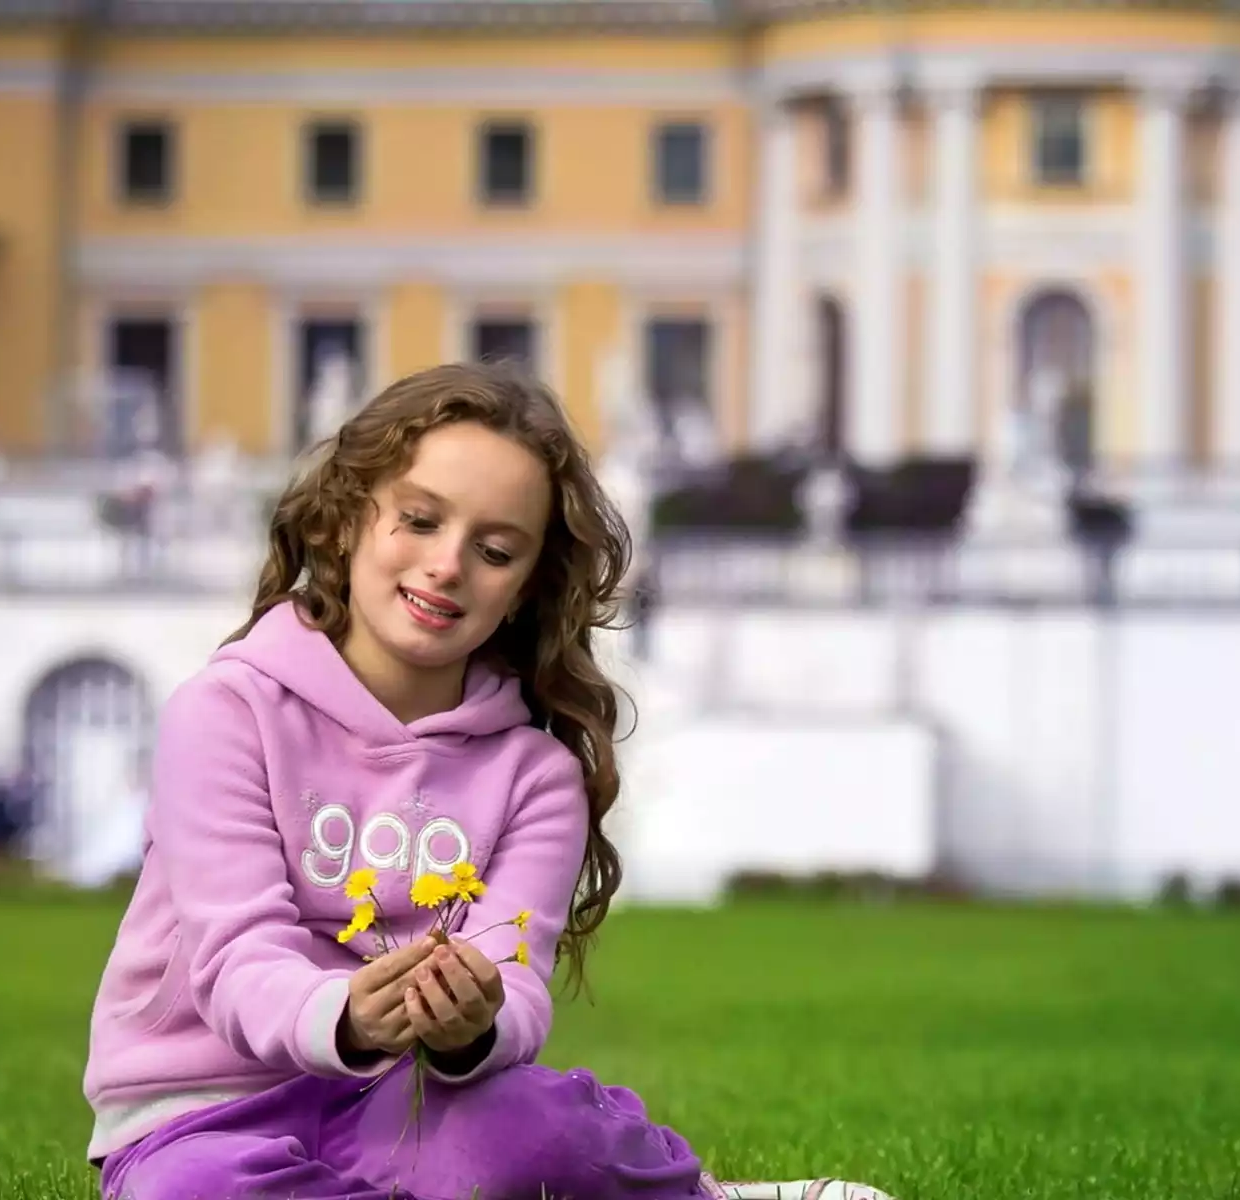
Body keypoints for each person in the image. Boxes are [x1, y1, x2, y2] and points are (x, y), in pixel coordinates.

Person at [81, 362, 895, 1200]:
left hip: (411, 1105)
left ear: (527, 589)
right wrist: (348, 1015)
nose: (446, 565)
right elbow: (236, 955)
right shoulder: (224, 712)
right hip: (200, 1114)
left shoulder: (536, 775)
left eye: (495, 550)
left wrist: (474, 1024)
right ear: (345, 522)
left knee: (536, 1127)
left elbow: (515, 984)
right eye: (420, 520)